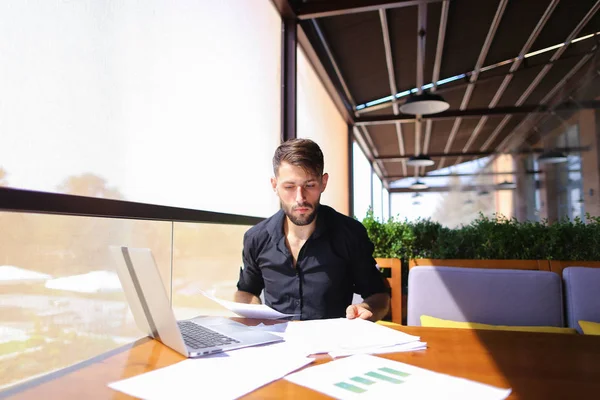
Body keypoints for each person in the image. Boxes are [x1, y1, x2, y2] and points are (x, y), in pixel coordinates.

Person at [234, 138, 390, 321]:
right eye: (289, 186)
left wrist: (365, 309)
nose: (300, 198)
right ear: (274, 185)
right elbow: (245, 292)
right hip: (275, 344)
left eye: (309, 185)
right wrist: (256, 317)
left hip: (333, 344)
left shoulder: (350, 234)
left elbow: (379, 297)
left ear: (323, 182)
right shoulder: (256, 238)